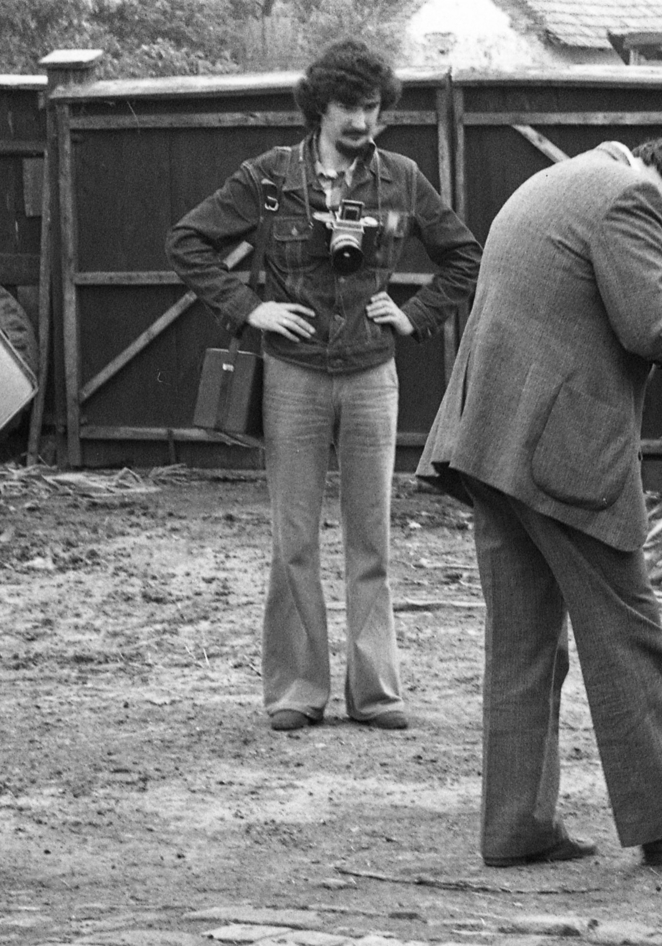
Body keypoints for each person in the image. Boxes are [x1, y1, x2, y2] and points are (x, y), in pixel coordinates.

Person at [417, 135, 662, 866]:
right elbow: (657, 329)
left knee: (522, 645)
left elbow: (592, 296)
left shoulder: (569, 178)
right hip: (559, 456)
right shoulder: (630, 198)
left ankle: (517, 825)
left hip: (490, 441)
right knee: (625, 630)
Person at [167, 40, 481, 732]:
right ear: (320, 106)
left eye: (373, 108)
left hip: (372, 374)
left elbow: (464, 257)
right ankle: (296, 691)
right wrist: (251, 308)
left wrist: (414, 315)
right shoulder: (269, 177)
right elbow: (188, 242)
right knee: (294, 538)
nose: (363, 122)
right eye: (350, 107)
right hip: (294, 375)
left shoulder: (401, 178)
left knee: (373, 537)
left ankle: (375, 692)